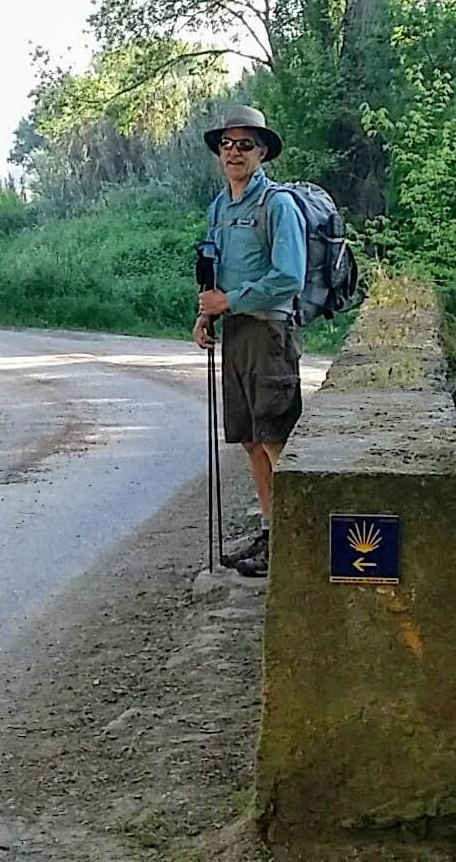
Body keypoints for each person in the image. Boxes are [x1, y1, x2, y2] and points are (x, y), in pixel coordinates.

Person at [194, 106, 305, 578]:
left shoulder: (276, 205)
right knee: (250, 440)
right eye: (227, 144)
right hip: (237, 332)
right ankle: (269, 531)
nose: (234, 152)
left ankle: (294, 540)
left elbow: (290, 276)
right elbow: (214, 270)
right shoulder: (219, 207)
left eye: (244, 145)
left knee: (276, 437)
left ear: (262, 152)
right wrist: (206, 315)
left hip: (269, 332)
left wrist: (230, 300)